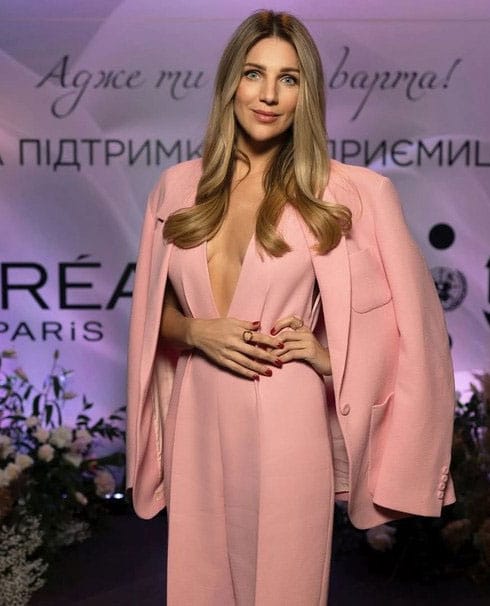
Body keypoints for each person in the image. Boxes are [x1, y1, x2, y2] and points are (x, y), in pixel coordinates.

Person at [126, 10, 456, 605]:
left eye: (289, 78)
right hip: (198, 409)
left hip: (288, 406)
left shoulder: (353, 192)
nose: (269, 95)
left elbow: (420, 329)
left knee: (286, 586)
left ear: (307, 94)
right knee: (200, 584)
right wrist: (198, 332)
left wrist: (332, 360)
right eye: (254, 73)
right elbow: (153, 317)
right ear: (231, 82)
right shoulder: (175, 188)